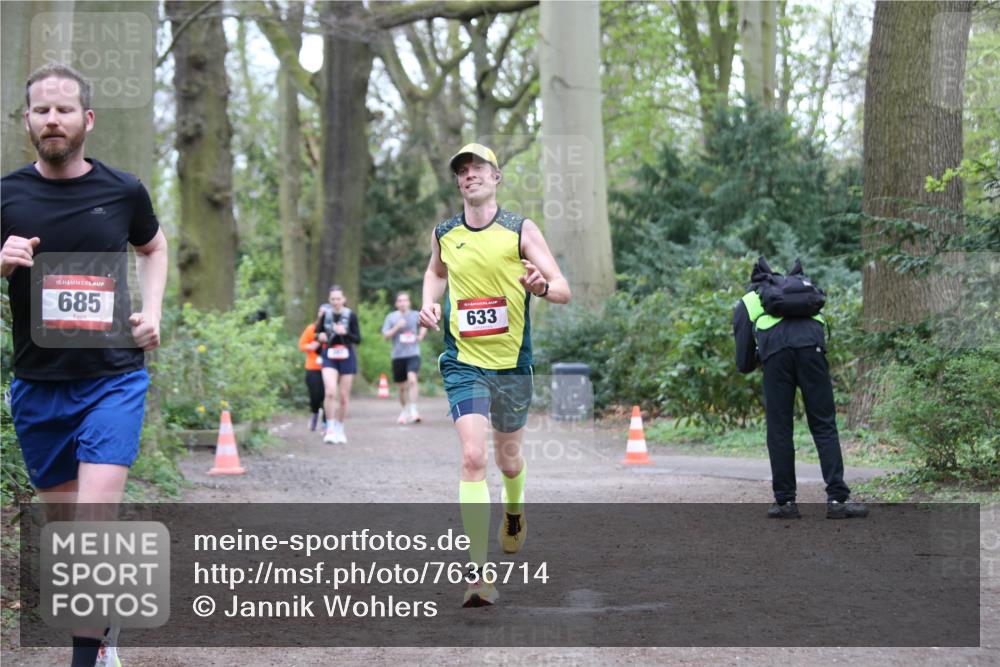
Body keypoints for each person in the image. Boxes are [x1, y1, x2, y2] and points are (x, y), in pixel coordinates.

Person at [1, 63, 168, 667]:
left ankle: (86, 656)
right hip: (37, 385)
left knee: (94, 521)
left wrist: (152, 311)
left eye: (64, 109)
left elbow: (154, 247)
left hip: (112, 379)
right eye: (42, 110)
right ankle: (104, 623)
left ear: (87, 119)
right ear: (27, 120)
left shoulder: (123, 191)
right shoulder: (6, 195)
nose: (53, 119)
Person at [419, 143, 570, 607]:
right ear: (458, 182)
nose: (470, 175)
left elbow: (562, 289)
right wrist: (428, 302)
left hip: (512, 366)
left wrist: (540, 287)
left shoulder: (520, 229)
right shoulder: (445, 233)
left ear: (496, 176)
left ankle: (514, 508)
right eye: (462, 171)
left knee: (508, 461)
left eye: (478, 168)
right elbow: (435, 272)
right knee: (472, 457)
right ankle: (478, 574)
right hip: (463, 361)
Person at [733, 257, 868, 520]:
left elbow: (743, 362)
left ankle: (785, 502)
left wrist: (761, 357)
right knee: (824, 424)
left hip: (776, 357)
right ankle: (838, 500)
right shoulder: (806, 295)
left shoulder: (750, 300)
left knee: (780, 429)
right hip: (811, 350)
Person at [315, 285, 361, 444]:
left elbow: (358, 339)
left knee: (343, 396)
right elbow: (317, 333)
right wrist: (320, 336)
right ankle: (330, 428)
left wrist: (345, 333)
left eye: (338, 299)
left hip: (347, 356)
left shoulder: (350, 315)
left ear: (344, 299)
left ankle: (340, 428)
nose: (336, 302)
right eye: (333, 299)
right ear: (329, 300)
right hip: (330, 355)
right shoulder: (325, 315)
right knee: (330, 392)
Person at [381, 291, 426, 424]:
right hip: (398, 356)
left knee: (412, 379)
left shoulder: (415, 315)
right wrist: (397, 327)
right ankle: (404, 410)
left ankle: (414, 410)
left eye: (405, 300)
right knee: (401, 388)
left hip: (413, 353)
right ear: (396, 303)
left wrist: (421, 335)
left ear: (409, 302)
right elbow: (385, 336)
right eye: (400, 301)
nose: (402, 303)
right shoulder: (391, 317)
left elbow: (424, 325)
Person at [298, 319, 325, 430]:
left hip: (329, 367)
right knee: (315, 395)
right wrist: (310, 346)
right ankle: (315, 413)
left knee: (327, 395)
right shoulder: (312, 328)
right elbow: (301, 345)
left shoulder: (334, 329)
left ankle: (326, 422)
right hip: (313, 366)